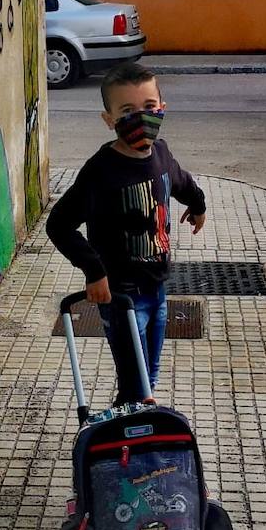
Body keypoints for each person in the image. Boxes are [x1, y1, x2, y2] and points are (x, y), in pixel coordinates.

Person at [46, 61, 206, 405]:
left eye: (149, 107)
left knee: (148, 376)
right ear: (110, 120)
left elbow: (179, 180)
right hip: (121, 297)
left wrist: (198, 204)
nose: (141, 117)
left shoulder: (161, 154)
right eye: (127, 110)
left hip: (157, 288)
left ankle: (129, 423)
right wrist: (94, 271)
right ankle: (133, 442)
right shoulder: (100, 171)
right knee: (138, 385)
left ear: (161, 108)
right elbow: (58, 224)